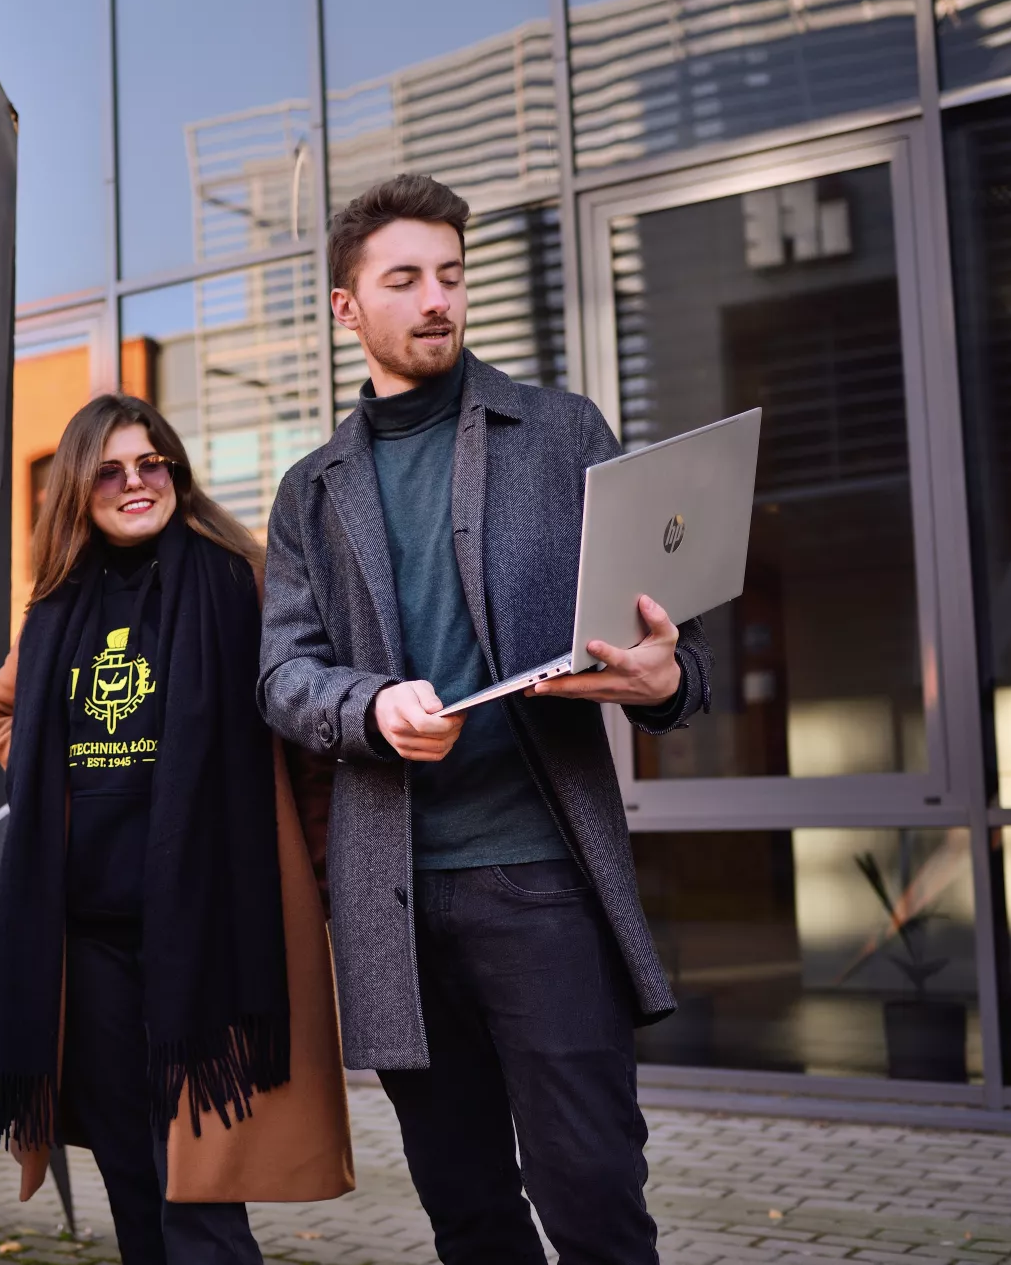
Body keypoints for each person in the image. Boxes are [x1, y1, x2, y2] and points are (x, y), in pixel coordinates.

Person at [257, 174, 714, 1264]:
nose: (435, 301)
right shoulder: (309, 491)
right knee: (464, 1208)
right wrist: (368, 705)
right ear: (345, 306)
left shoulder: (561, 433)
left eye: (451, 277)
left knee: (594, 1191)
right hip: (391, 901)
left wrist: (664, 680)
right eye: (403, 279)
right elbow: (281, 672)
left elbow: (664, 628)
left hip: (540, 881)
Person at [0, 395, 353, 1265]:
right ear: (78, 487)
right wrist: (56, 785)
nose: (135, 483)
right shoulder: (59, 609)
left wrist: (322, 885)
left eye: (153, 464)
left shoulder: (238, 581)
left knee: (203, 1199)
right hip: (90, 944)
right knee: (135, 1190)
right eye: (110, 469)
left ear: (176, 472)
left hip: (212, 935)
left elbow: (306, 755)